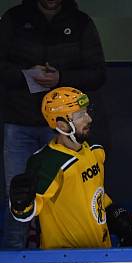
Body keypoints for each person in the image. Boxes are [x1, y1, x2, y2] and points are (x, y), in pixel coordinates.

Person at [0, 0, 106, 248]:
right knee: (19, 195)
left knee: (74, 197)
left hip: (66, 127)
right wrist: (26, 74)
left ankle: (71, 257)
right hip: (21, 121)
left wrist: (62, 78)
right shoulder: (14, 18)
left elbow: (98, 72)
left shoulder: (81, 22)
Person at [8, 87, 132, 249]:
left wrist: (113, 211)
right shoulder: (47, 163)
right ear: (62, 125)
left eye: (86, 111)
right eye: (80, 115)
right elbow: (26, 213)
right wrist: (20, 204)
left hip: (102, 253)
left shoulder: (95, 150)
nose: (88, 118)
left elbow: (94, 193)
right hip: (64, 262)